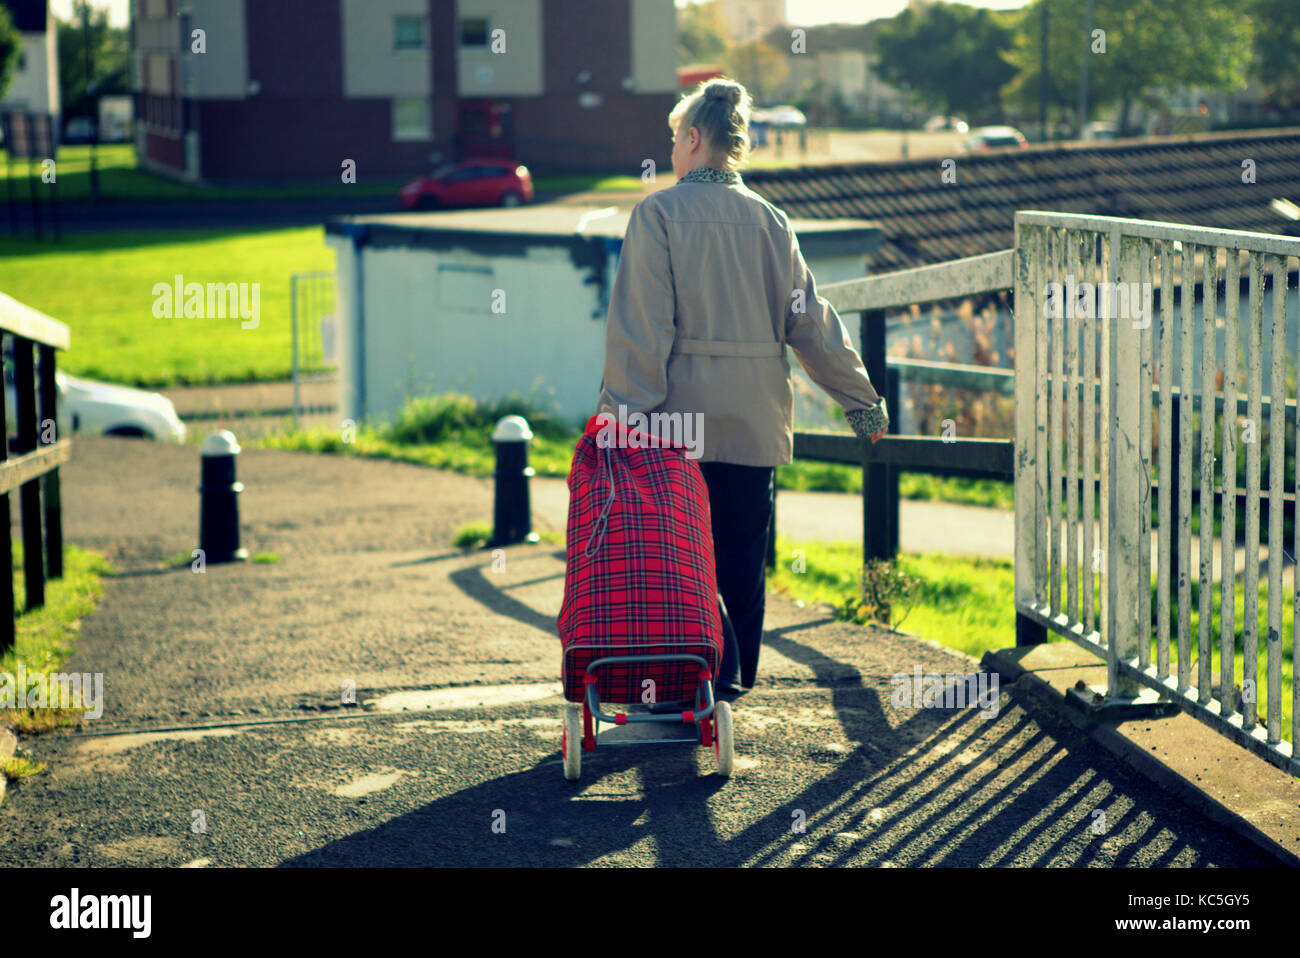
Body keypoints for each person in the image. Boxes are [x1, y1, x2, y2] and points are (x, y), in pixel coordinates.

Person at [595, 77, 888, 703]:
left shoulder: (657, 214)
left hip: (676, 426)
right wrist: (862, 403)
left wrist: (620, 420)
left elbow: (642, 331)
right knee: (742, 555)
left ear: (694, 139)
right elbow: (810, 321)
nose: (672, 152)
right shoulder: (770, 220)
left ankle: (682, 675)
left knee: (678, 555)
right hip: (754, 423)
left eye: (675, 139)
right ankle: (731, 682)